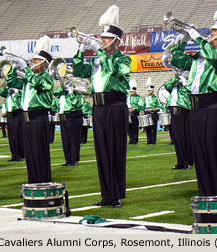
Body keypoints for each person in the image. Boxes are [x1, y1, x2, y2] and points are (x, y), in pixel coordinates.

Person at [170, 0, 217, 196]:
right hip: (196, 109)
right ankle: (206, 195)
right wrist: (183, 39)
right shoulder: (200, 56)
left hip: (213, 108)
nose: (210, 35)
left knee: (214, 156)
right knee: (200, 156)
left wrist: (198, 38)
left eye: (214, 32)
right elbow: (175, 59)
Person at [73, 5, 131, 207]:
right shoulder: (97, 61)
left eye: (105, 38)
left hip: (115, 107)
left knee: (115, 151)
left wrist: (97, 48)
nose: (102, 41)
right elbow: (78, 70)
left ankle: (117, 195)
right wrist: (81, 49)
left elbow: (114, 68)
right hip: (98, 108)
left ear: (116, 41)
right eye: (102, 38)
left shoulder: (123, 59)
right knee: (102, 152)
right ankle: (107, 195)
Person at [6, 35, 54, 183]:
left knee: (40, 154)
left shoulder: (46, 77)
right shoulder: (29, 77)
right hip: (26, 120)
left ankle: (43, 182)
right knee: (31, 155)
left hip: (39, 119)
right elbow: (12, 82)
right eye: (33, 61)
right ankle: (33, 182)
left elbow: (37, 83)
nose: (33, 63)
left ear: (45, 64)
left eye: (37, 61)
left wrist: (25, 68)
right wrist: (14, 67)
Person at [164, 71, 193, 170]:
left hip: (184, 113)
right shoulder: (173, 86)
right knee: (177, 139)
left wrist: (184, 83)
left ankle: (187, 161)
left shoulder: (188, 86)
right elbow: (166, 85)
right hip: (174, 113)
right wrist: (175, 78)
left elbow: (189, 93)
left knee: (185, 138)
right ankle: (180, 162)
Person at [54, 84, 84, 166]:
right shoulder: (63, 93)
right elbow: (55, 92)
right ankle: (68, 160)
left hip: (74, 116)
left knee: (74, 140)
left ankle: (74, 160)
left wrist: (71, 92)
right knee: (65, 140)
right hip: (63, 117)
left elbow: (77, 104)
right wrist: (63, 86)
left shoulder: (79, 94)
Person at [0, 87, 25, 162]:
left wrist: (16, 91)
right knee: (11, 137)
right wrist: (7, 87)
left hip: (17, 114)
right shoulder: (7, 94)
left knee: (18, 136)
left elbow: (22, 98)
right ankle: (14, 155)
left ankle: (20, 155)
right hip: (9, 116)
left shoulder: (19, 93)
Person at [143, 77, 160, 144]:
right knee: (148, 127)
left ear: (153, 91)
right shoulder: (146, 97)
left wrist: (156, 108)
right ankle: (149, 140)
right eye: (148, 90)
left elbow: (159, 106)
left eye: (150, 90)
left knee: (154, 127)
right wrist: (142, 110)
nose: (149, 91)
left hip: (153, 112)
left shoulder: (156, 98)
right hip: (147, 112)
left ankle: (153, 140)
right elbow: (143, 105)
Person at [127, 79, 143, 144]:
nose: (131, 93)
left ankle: (135, 139)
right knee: (128, 127)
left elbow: (140, 106)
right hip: (128, 112)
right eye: (130, 92)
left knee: (134, 127)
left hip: (134, 113)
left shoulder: (138, 97)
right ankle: (131, 139)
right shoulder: (127, 97)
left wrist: (135, 108)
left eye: (132, 92)